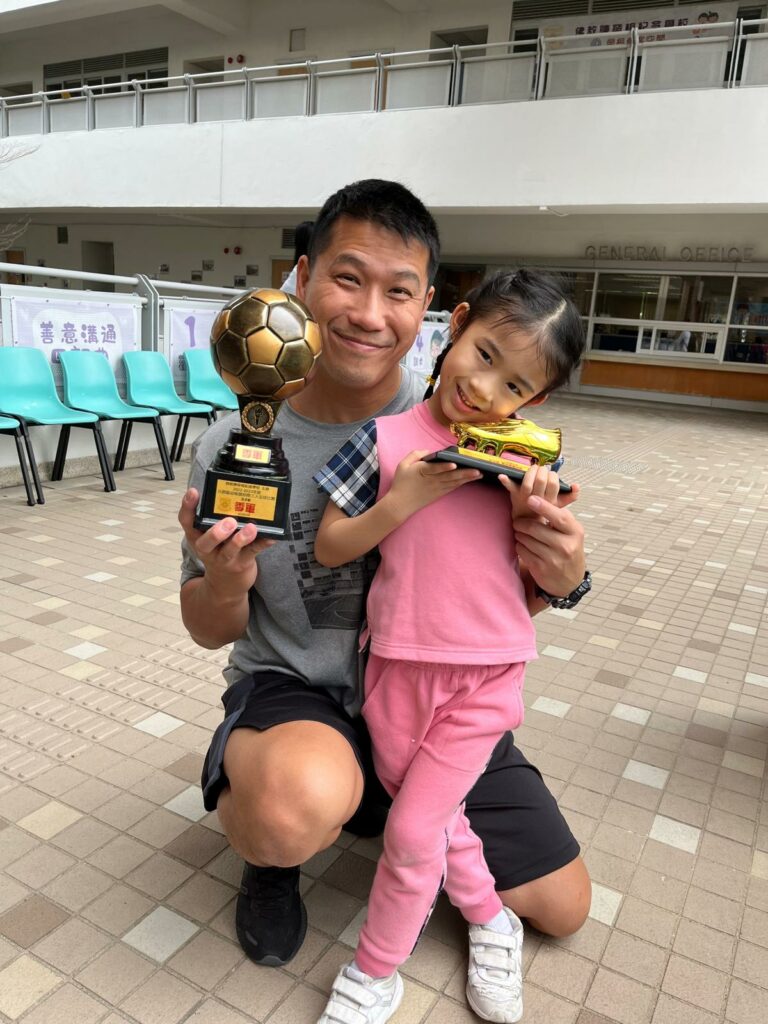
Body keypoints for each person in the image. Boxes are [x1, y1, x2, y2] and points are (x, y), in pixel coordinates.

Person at [177, 179, 590, 991]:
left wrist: (564, 578)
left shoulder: (476, 430)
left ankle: (401, 810)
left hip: (436, 690)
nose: (370, 313)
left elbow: (502, 592)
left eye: (398, 291)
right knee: (289, 809)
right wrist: (226, 580)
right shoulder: (236, 441)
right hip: (306, 692)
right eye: (347, 278)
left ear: (431, 307)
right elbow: (207, 626)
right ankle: (279, 855)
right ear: (303, 278)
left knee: (563, 907)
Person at [311, 270, 586, 1023]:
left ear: (536, 401)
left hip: (486, 677)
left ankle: (374, 972)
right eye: (485, 353)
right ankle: (491, 919)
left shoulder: (527, 465)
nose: (485, 388)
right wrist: (400, 501)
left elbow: (541, 577)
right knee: (436, 817)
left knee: (409, 831)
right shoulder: (382, 439)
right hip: (395, 672)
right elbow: (331, 547)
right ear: (457, 324)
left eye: (516, 385)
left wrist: (557, 549)